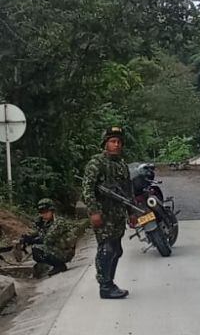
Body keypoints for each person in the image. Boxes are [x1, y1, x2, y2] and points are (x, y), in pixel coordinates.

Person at [82, 126, 134, 299]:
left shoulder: (122, 165)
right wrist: (94, 212)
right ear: (105, 143)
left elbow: (128, 190)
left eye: (119, 142)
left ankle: (110, 282)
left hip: (118, 216)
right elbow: (87, 189)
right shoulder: (97, 163)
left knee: (117, 250)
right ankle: (105, 286)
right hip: (103, 216)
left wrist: (131, 212)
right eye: (113, 141)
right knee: (107, 249)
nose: (116, 145)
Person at [19, 198, 75, 277]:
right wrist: (28, 237)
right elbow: (37, 233)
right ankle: (57, 265)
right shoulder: (45, 222)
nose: (43, 214)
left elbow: (48, 238)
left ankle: (59, 265)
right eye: (41, 212)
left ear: (52, 210)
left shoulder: (59, 222)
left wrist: (32, 240)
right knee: (36, 251)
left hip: (65, 252)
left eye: (46, 211)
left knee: (37, 248)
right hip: (57, 249)